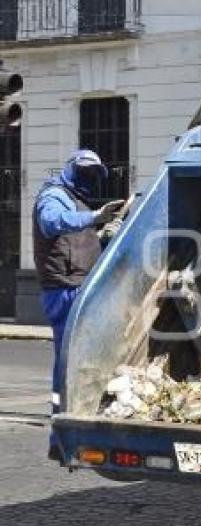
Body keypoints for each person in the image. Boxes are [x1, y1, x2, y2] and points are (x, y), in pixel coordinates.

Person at [33, 149, 124, 460]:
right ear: (71, 169)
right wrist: (95, 218)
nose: (89, 177)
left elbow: (79, 242)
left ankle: (74, 431)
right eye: (85, 171)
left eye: (94, 173)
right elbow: (51, 222)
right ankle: (60, 437)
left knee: (85, 362)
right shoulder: (54, 195)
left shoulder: (77, 201)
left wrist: (105, 233)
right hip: (65, 290)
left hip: (80, 288)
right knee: (68, 364)